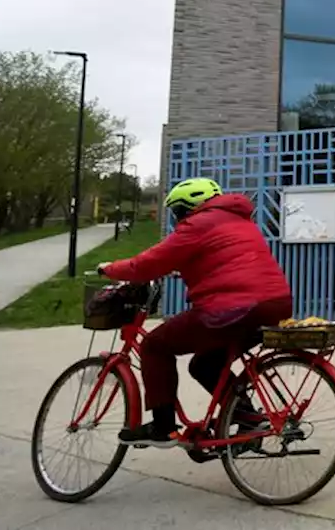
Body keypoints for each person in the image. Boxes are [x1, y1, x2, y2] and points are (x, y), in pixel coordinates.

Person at [98, 178, 293, 448]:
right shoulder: (239, 221)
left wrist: (109, 268)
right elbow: (227, 260)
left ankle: (163, 427)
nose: (177, 219)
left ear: (191, 207)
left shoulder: (198, 223)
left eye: (178, 211)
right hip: (274, 305)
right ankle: (247, 417)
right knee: (205, 364)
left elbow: (148, 263)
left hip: (233, 308)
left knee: (154, 346)